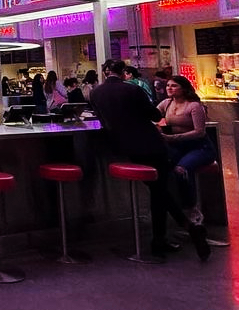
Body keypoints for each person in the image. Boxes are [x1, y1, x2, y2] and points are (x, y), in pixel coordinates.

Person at [88, 60, 210, 261]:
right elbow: (154, 115)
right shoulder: (132, 90)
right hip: (150, 144)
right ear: (124, 72)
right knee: (159, 190)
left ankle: (168, 236)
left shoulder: (96, 93)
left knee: (158, 191)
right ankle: (172, 234)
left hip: (123, 147)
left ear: (105, 72)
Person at [156, 74, 218, 224]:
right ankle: (176, 209)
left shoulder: (194, 106)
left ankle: (191, 209)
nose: (169, 88)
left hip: (199, 147)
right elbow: (152, 115)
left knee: (181, 170)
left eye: (174, 86)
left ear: (183, 88)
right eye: (168, 86)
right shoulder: (166, 103)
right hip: (178, 147)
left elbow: (200, 132)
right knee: (165, 168)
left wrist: (173, 138)